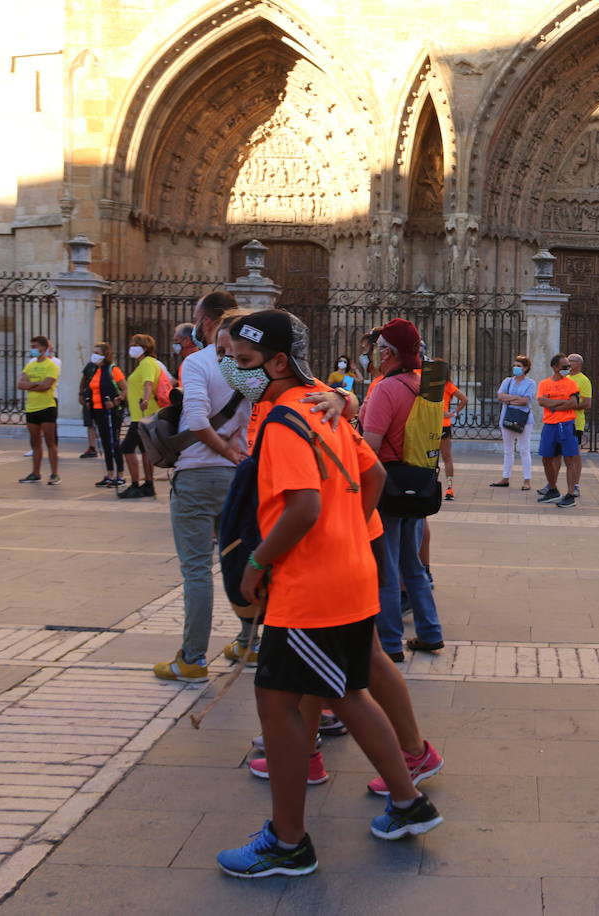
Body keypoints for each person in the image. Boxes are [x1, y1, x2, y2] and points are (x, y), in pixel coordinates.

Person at [214, 310, 441, 879]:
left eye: (242, 363)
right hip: (349, 571)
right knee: (347, 692)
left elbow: (304, 507)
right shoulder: (325, 404)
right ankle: (409, 801)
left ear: (278, 362)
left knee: (280, 704)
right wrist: (347, 530)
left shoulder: (290, 418)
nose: (234, 373)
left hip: (310, 585)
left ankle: (287, 842)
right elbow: (374, 479)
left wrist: (260, 562)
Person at [153, 293, 251, 683]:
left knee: (196, 570)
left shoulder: (197, 362)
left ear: (208, 322)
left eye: (196, 318)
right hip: (235, 477)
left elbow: (194, 418)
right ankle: (249, 641)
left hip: (196, 476)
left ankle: (193, 659)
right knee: (239, 562)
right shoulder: (248, 366)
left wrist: (222, 449)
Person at [360, 318, 444, 660]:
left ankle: (391, 643)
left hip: (389, 484)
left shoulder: (385, 388)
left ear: (387, 352)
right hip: (418, 483)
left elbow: (370, 444)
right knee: (413, 564)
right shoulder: (424, 384)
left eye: (380, 348)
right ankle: (430, 631)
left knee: (387, 564)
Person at [117, 334, 166, 499]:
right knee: (145, 450)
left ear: (144, 347)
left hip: (142, 414)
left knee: (126, 448)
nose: (131, 347)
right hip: (142, 414)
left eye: (134, 344)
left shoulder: (146, 363)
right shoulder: (146, 363)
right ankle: (149, 485)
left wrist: (145, 399)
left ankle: (135, 484)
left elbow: (148, 383)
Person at [535, 354, 582, 507]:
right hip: (550, 425)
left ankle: (570, 494)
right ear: (555, 367)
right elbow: (542, 401)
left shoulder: (572, 384)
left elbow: (574, 403)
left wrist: (553, 405)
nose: (567, 369)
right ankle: (553, 489)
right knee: (546, 459)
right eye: (564, 367)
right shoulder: (544, 383)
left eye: (568, 366)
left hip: (567, 425)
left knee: (570, 459)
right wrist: (563, 402)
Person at [18, 335, 61, 485]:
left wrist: (31, 385)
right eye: (32, 346)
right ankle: (35, 473)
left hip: (47, 407)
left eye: (35, 346)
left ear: (44, 348)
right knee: (35, 443)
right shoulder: (30, 365)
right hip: (31, 407)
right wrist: (36, 384)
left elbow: (46, 385)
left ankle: (55, 474)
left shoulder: (52, 365)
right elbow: (21, 384)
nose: (33, 350)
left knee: (50, 443)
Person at [84, 342, 127, 489]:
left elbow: (125, 389)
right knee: (105, 443)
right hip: (98, 411)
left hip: (112, 411)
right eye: (93, 351)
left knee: (114, 442)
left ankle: (120, 475)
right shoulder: (95, 369)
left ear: (105, 354)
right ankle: (109, 474)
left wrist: (117, 401)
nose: (94, 354)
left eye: (97, 352)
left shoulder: (112, 370)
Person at [491, 354, 535, 490]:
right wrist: (515, 399)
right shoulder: (507, 381)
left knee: (524, 449)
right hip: (507, 417)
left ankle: (527, 480)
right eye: (515, 365)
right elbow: (500, 396)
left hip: (524, 420)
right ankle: (505, 477)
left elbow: (525, 401)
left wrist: (509, 399)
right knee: (508, 450)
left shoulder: (530, 383)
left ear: (526, 368)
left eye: (519, 366)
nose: (516, 368)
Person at [439, 375, 468, 500]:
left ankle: (449, 488)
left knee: (446, 456)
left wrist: (452, 414)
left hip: (442, 425)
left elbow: (464, 399)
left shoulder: (447, 385)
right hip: (428, 424)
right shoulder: (425, 384)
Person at [567, 353, 591, 497]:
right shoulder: (565, 378)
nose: (568, 363)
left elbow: (587, 403)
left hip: (576, 423)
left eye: (571, 361)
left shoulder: (584, 380)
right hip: (561, 421)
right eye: (567, 360)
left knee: (575, 455)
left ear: (579, 363)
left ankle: (575, 485)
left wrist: (569, 406)